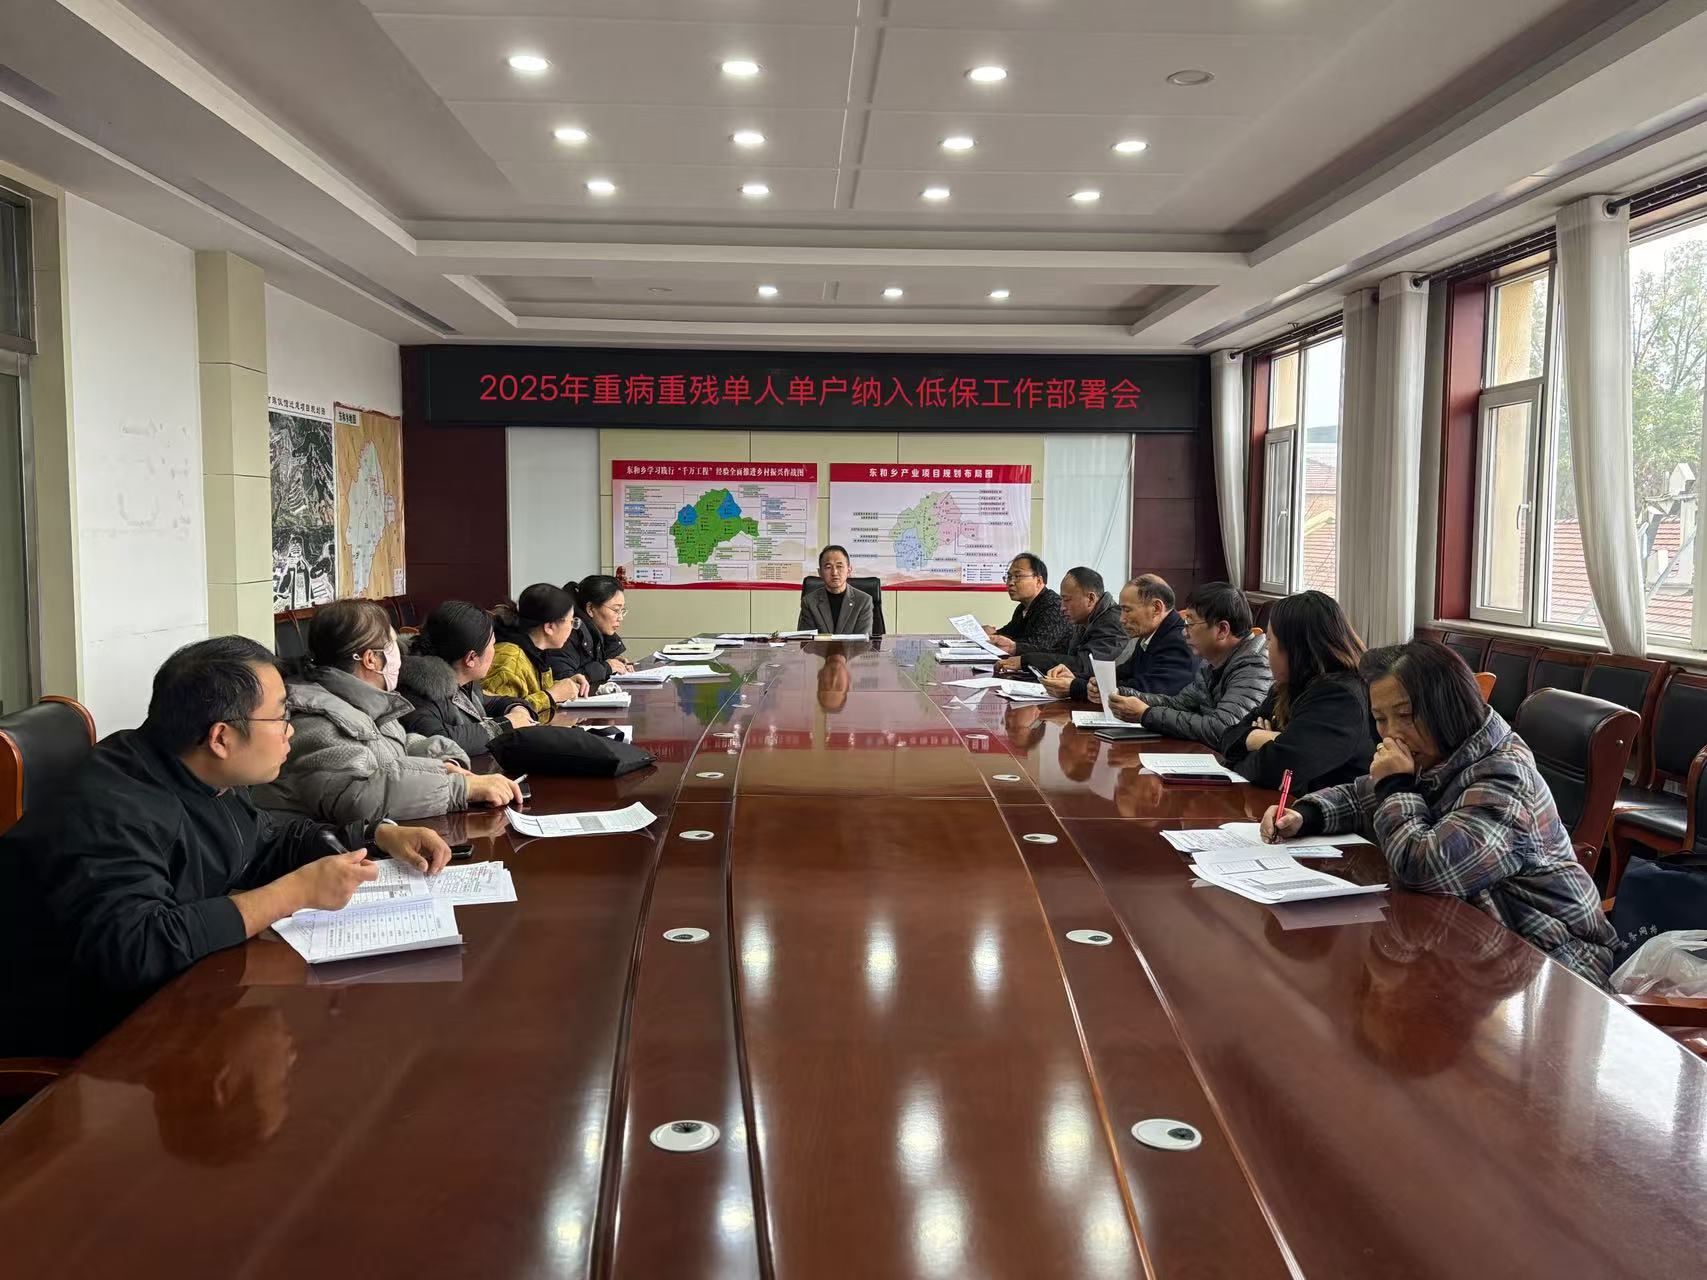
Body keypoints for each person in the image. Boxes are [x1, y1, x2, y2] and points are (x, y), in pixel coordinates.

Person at [0, 636, 451, 1059]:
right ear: (221, 738)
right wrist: (293, 893)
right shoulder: (111, 808)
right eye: (281, 717)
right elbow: (137, 947)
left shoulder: (198, 770)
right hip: (91, 1036)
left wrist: (376, 835)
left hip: (181, 997)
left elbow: (266, 840)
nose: (291, 732)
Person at [1261, 640, 1616, 987]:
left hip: (1551, 964)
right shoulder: (1436, 752)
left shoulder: (1505, 778)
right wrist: (1305, 814)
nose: (1391, 734)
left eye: (1405, 715)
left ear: (1447, 707)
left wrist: (1395, 786)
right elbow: (1361, 795)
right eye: (1380, 719)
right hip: (1470, 943)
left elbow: (1427, 868)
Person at [254, 599, 523, 823]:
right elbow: (360, 796)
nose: (400, 653)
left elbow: (400, 747)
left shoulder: (367, 701)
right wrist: (460, 789)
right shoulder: (316, 720)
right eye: (392, 645)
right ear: (371, 659)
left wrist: (445, 764)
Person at [1217, 590, 1376, 790]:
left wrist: (1257, 744)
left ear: (1294, 647)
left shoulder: (1339, 697)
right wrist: (1262, 739)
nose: (1266, 649)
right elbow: (1228, 737)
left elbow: (1273, 771)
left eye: (1270, 641)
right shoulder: (1289, 686)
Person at [1109, 581, 1272, 746]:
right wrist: (1124, 694)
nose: (1183, 632)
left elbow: (1223, 728)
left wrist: (1146, 714)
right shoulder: (1210, 663)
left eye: (1190, 624)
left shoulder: (1255, 667)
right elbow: (1178, 704)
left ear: (1222, 629)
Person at [398, 600, 537, 755]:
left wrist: (518, 710)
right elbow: (442, 742)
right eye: (492, 645)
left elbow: (492, 702)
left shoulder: (461, 680)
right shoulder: (413, 695)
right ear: (471, 658)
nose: (495, 650)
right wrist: (506, 724)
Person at [1060, 574, 1198, 702]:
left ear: (1156, 608)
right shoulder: (1150, 636)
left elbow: (1148, 690)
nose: (1121, 619)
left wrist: (1076, 686)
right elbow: (1124, 673)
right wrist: (1074, 677)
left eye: (1127, 610)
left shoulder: (1179, 641)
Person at [487, 583, 592, 720]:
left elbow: (528, 695)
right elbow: (502, 717)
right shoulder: (510, 659)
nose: (572, 628)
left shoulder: (534, 651)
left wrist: (564, 685)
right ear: (549, 626)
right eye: (570, 621)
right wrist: (552, 695)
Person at [1004, 565, 1126, 678]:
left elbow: (1084, 665)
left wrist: (1026, 661)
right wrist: (1016, 649)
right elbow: (1062, 653)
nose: (1062, 607)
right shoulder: (1084, 619)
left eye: (1067, 600)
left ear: (1090, 598)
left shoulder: (1114, 622)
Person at [549, 574, 636, 685]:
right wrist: (606, 667)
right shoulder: (567, 632)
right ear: (590, 608)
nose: (620, 618)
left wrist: (614, 661)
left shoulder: (597, 632)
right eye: (616, 610)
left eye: (622, 611)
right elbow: (564, 682)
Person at [985, 553, 1073, 656]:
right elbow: (1010, 633)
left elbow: (1037, 646)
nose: (1010, 583)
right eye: (1009, 577)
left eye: (1018, 576)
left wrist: (1000, 639)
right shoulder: (1022, 608)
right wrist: (991, 633)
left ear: (1039, 581)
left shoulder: (1054, 607)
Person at [799, 545, 875, 635]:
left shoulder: (863, 601)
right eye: (828, 567)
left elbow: (862, 640)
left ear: (849, 570)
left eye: (839, 566)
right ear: (820, 573)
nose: (834, 572)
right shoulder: (809, 602)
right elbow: (806, 639)